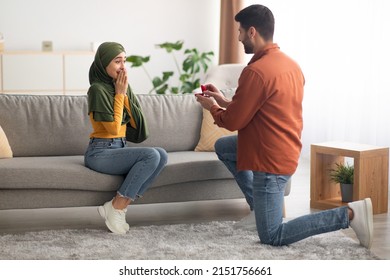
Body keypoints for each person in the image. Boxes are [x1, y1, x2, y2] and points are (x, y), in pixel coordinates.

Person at [195, 4, 373, 248]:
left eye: (240, 31)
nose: (237, 37)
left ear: (252, 32)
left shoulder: (256, 71)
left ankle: (350, 215)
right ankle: (259, 208)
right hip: (285, 150)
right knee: (225, 146)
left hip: (269, 163)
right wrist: (222, 100)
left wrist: (211, 108)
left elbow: (234, 121)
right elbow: (260, 108)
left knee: (272, 235)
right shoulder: (290, 65)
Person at [84, 42, 168, 234]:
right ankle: (117, 208)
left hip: (119, 148)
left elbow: (139, 128)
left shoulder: (121, 86)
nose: (123, 66)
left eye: (124, 61)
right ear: (104, 63)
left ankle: (116, 206)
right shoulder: (97, 90)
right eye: (117, 61)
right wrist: (120, 95)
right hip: (100, 152)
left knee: (161, 154)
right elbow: (113, 129)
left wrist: (125, 93)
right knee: (151, 156)